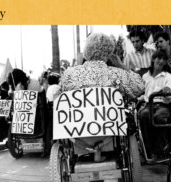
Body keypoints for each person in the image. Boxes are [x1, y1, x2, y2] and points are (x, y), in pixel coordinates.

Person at [61, 32, 144, 160]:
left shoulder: (70, 74)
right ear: (109, 52)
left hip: (78, 130)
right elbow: (139, 87)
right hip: (109, 130)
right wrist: (121, 65)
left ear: (87, 50)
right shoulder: (116, 73)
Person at [139, 49, 171, 163]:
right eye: (159, 58)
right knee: (144, 115)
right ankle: (150, 151)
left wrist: (166, 91)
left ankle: (160, 151)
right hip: (148, 105)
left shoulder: (168, 77)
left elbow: (170, 96)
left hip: (163, 105)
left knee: (158, 117)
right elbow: (140, 92)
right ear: (153, 59)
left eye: (164, 59)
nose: (161, 61)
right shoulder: (145, 76)